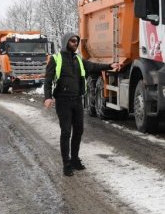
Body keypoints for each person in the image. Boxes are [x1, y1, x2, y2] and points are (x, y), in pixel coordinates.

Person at [44, 32, 120, 177]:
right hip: (63, 101)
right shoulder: (56, 59)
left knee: (78, 131)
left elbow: (93, 66)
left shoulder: (78, 59)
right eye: (72, 41)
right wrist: (47, 97)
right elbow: (47, 80)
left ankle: (74, 160)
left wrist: (110, 65)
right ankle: (66, 164)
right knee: (66, 132)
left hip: (77, 101)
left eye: (77, 41)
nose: (75, 43)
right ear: (66, 41)